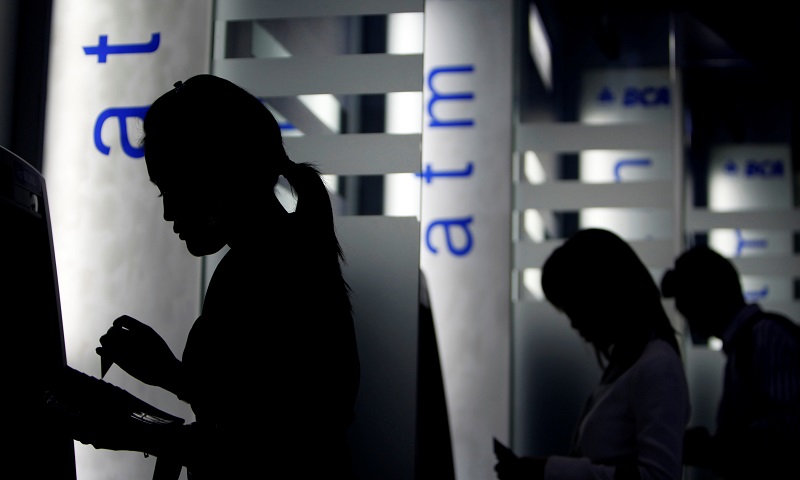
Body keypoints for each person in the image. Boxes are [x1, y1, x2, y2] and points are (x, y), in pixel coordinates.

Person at [51, 74, 361, 479]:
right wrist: (169, 374)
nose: (168, 214)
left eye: (170, 191)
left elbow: (266, 447)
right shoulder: (283, 256)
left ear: (213, 179)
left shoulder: (262, 271)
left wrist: (137, 429)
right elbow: (252, 410)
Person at [494, 228, 690, 480]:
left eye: (574, 307)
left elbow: (658, 477)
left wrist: (549, 470)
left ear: (603, 295)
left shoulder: (657, 366)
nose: (574, 324)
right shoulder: (630, 365)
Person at [660, 244, 800, 480]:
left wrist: (714, 448)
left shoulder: (765, 338)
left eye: (689, 308)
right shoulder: (747, 345)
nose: (689, 323)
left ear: (708, 299)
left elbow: (785, 433)